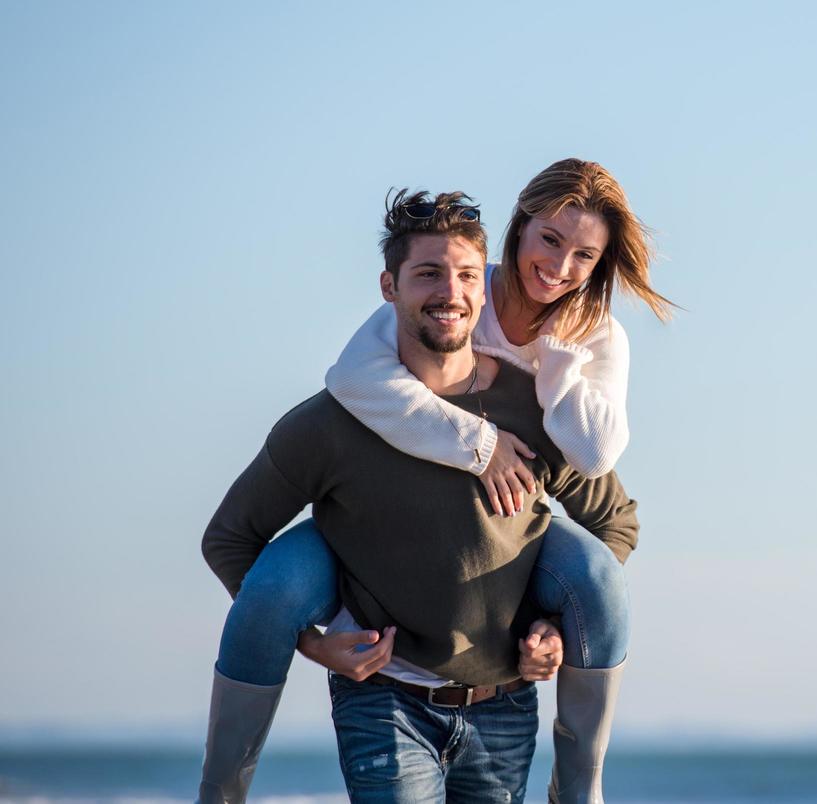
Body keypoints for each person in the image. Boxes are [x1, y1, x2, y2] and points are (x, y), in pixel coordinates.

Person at [197, 164, 672, 803]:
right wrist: (317, 644)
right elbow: (230, 537)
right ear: (388, 287)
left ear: (482, 291)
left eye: (465, 277)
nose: (449, 292)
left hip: (504, 705)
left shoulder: (542, 402)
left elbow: (613, 517)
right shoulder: (337, 416)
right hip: (383, 702)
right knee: (280, 577)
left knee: (596, 573)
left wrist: (555, 631)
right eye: (427, 274)